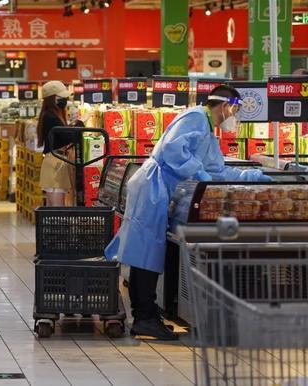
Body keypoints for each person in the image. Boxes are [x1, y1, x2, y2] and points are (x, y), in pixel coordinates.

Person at [105, 85, 272, 340]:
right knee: (146, 253)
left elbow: (216, 168)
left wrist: (249, 176)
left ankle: (146, 314)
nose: (234, 117)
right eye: (235, 109)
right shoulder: (195, 117)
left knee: (147, 252)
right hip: (153, 185)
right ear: (225, 105)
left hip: (161, 189)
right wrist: (198, 171)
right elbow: (173, 150)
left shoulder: (207, 129)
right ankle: (144, 318)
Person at [37, 81, 87, 206]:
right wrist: (80, 123)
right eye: (61, 98)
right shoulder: (50, 117)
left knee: (52, 210)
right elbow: (66, 137)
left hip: (56, 160)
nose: (64, 100)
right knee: (57, 209)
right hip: (56, 163)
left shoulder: (51, 115)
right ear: (52, 99)